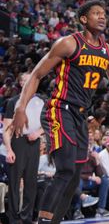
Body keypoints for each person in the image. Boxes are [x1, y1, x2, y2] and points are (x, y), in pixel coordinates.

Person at [10, 0, 109, 224]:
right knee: (66, 169)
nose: (102, 17)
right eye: (96, 13)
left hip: (80, 116)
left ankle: (53, 220)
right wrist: (21, 108)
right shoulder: (68, 43)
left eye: (104, 13)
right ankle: (43, 221)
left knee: (74, 177)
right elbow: (37, 75)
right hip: (59, 109)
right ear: (83, 19)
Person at [3, 73, 44, 224]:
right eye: (26, 81)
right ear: (20, 83)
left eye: (32, 80)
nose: (29, 83)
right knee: (14, 183)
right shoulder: (13, 102)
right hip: (17, 142)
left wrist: (38, 132)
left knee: (31, 183)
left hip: (34, 143)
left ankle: (26, 218)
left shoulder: (41, 101)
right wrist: (9, 150)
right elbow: (6, 129)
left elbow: (49, 123)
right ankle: (14, 219)